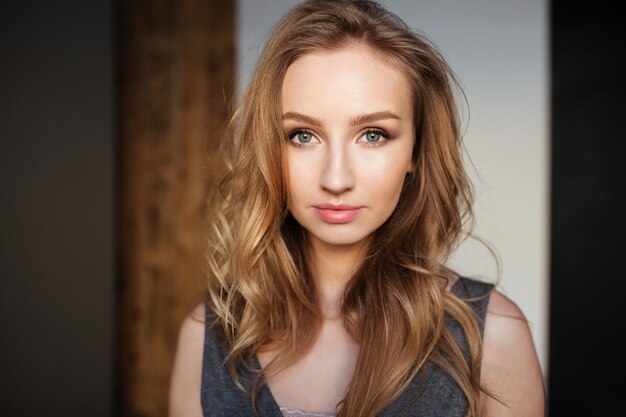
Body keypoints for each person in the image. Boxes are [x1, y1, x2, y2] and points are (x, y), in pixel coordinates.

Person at [168, 1, 545, 416]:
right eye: (302, 136)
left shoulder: (491, 338)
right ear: (268, 148)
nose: (335, 178)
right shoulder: (206, 337)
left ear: (416, 151)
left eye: (373, 135)